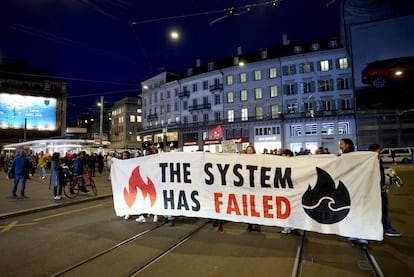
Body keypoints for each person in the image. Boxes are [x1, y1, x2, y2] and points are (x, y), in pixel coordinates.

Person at [339, 138, 368, 249]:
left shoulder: (356, 156)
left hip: (358, 188)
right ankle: (353, 234)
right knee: (351, 211)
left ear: (347, 145)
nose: (340, 146)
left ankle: (362, 236)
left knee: (359, 211)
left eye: (342, 144)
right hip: (348, 188)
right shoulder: (342, 157)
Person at [368, 144, 401, 237]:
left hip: (380, 189)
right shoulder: (371, 163)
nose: (380, 153)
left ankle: (385, 228)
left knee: (383, 210)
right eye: (378, 151)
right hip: (376, 190)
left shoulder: (378, 161)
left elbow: (380, 175)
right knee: (382, 210)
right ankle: (388, 229)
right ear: (373, 152)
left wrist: (384, 184)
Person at [280, 149, 295, 234]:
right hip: (286, 189)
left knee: (289, 208)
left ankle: (288, 226)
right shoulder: (282, 164)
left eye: (283, 155)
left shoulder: (294, 164)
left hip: (290, 190)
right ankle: (289, 225)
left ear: (288, 155)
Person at [245, 145, 259, 232]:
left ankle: (255, 220)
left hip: (255, 186)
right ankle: (249, 223)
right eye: (248, 150)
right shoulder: (243, 160)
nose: (249, 152)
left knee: (255, 204)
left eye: (250, 150)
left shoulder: (257, 159)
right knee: (248, 205)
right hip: (246, 186)